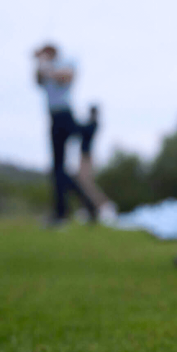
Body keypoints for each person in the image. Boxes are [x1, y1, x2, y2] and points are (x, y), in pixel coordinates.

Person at [34, 44, 109, 226]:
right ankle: (84, 208)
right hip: (53, 117)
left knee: (59, 169)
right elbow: (37, 81)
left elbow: (65, 78)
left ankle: (64, 213)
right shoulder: (44, 68)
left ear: (52, 51)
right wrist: (39, 64)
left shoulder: (66, 62)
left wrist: (46, 66)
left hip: (64, 116)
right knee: (58, 169)